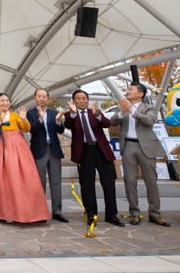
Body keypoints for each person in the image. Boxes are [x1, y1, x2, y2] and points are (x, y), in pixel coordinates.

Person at [110, 83, 170, 227]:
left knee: (151, 181)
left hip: (146, 147)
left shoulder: (149, 108)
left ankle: (154, 213)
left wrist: (132, 110)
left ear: (141, 93)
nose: (127, 91)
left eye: (131, 89)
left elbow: (149, 121)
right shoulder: (123, 107)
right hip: (128, 145)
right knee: (130, 180)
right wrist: (122, 112)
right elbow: (112, 122)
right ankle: (134, 213)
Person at [0, 93, 50, 223]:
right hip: (0, 147)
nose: (5, 103)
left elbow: (26, 129)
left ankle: (30, 212)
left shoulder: (15, 115)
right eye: (2, 101)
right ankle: (6, 213)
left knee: (23, 177)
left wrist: (24, 119)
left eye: (7, 100)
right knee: (1, 179)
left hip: (18, 147)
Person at [64, 90, 124, 227]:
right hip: (84, 152)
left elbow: (107, 124)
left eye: (84, 98)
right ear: (74, 101)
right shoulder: (70, 114)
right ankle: (91, 214)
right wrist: (73, 113)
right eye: (78, 99)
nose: (81, 101)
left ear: (88, 100)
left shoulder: (95, 112)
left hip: (101, 150)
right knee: (87, 185)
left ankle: (111, 215)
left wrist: (97, 115)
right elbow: (68, 125)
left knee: (109, 184)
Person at [26, 89, 69, 223]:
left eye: (44, 96)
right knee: (40, 183)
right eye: (39, 96)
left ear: (48, 98)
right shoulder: (30, 113)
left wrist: (58, 121)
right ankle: (40, 212)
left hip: (54, 150)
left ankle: (57, 211)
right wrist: (39, 119)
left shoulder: (53, 113)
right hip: (39, 150)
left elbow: (60, 130)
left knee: (56, 182)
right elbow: (31, 129)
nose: (42, 99)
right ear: (35, 98)